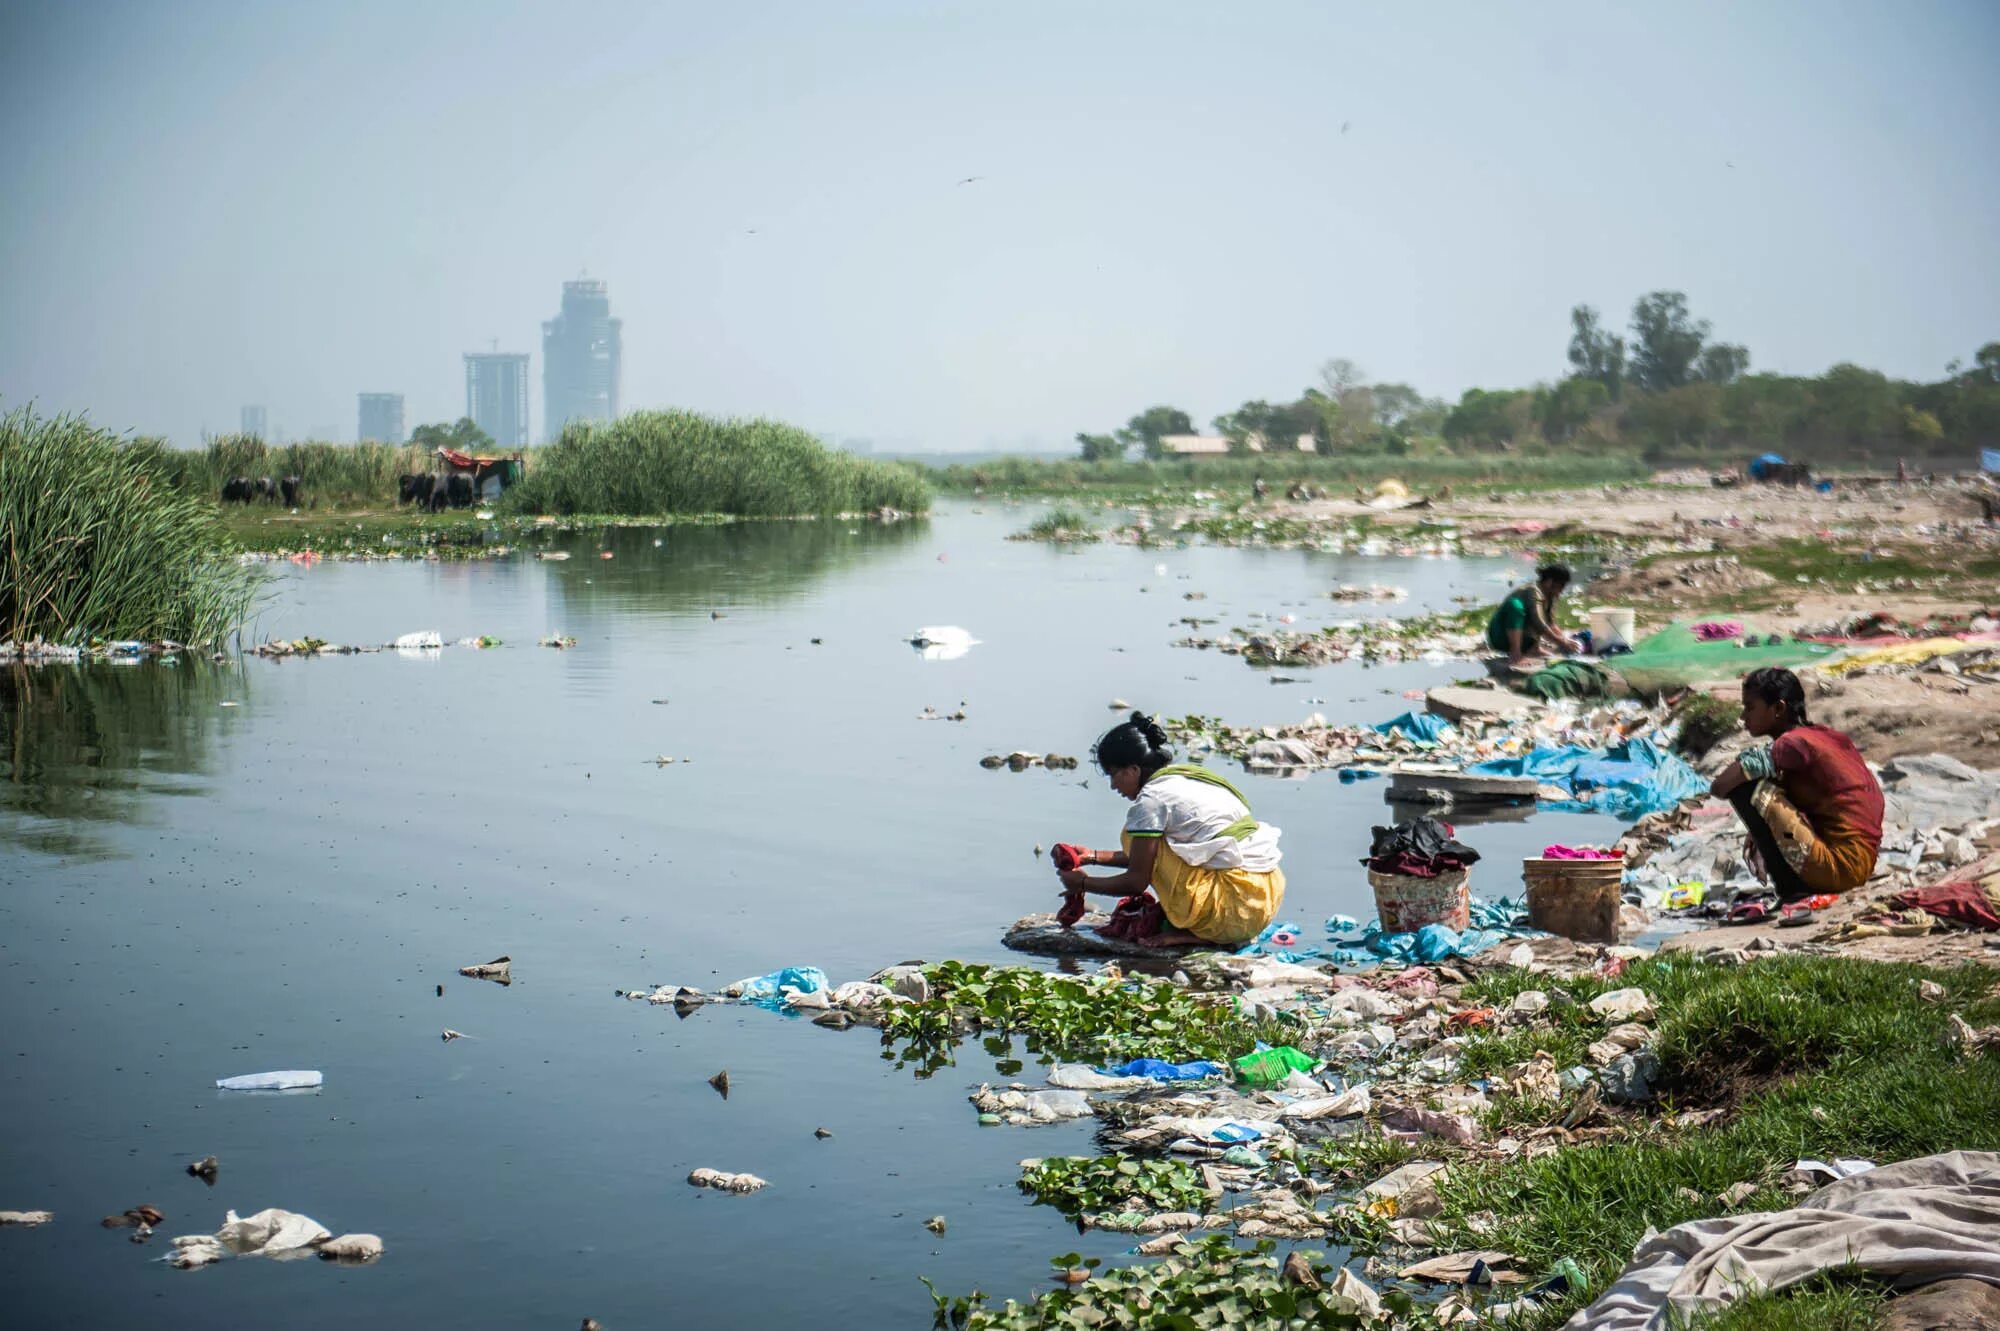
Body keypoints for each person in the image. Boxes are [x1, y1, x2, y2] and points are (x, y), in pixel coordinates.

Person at [1055, 713, 1284, 947]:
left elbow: (1136, 881)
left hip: (1229, 913)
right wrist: (1092, 857)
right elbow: (1155, 858)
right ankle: (1205, 928)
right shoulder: (1187, 777)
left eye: (1114, 774)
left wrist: (1082, 884)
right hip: (1261, 901)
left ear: (1133, 770)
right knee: (1147, 838)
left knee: (1131, 833)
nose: (1113, 785)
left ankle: (1201, 932)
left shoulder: (1151, 801)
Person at [1708, 668, 1883, 902]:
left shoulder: (1793, 743)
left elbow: (1720, 786)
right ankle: (1798, 883)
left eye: (1750, 707)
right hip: (1860, 864)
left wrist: (1762, 831)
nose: (1743, 717)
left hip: (1838, 867)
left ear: (1779, 708)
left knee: (1749, 789)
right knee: (1768, 783)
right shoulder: (1824, 736)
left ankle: (1791, 890)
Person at [1486, 564, 1582, 663]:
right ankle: (1515, 653)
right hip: (1500, 637)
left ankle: (1535, 649)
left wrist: (1565, 639)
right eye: (1561, 585)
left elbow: (1550, 623)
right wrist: (1562, 643)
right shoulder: (1533, 591)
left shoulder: (1551, 596)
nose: (1562, 590)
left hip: (1525, 640)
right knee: (1515, 606)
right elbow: (1538, 622)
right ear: (1549, 582)